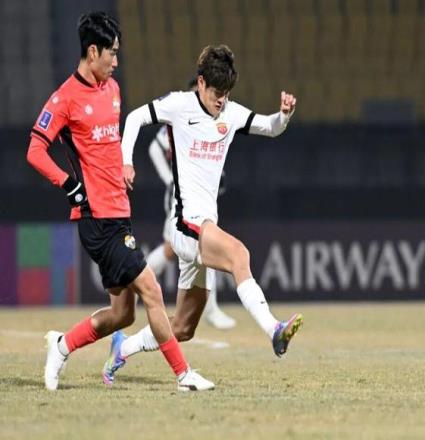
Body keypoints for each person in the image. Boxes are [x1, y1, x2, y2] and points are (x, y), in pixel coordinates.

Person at [26, 11, 213, 392]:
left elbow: (108, 143)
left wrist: (124, 164)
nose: (116, 61)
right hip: (96, 218)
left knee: (122, 315)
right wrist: (70, 186)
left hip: (119, 212)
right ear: (92, 51)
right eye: (111, 52)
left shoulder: (112, 89)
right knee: (152, 289)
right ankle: (183, 375)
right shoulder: (64, 98)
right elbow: (35, 150)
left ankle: (61, 346)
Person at [102, 44, 302, 385]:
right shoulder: (179, 105)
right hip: (185, 224)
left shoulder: (231, 113)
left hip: (204, 226)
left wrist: (283, 115)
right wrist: (126, 161)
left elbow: (270, 127)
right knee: (239, 254)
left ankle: (123, 347)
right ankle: (274, 330)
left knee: (183, 328)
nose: (221, 100)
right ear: (200, 82)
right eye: (216, 92)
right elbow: (135, 117)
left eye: (226, 93)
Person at [146, 77, 236, 330]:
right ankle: (137, 282)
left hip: (197, 195)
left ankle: (136, 283)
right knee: (194, 246)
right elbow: (154, 148)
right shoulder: (183, 116)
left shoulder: (212, 120)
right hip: (181, 196)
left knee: (181, 248)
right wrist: (168, 179)